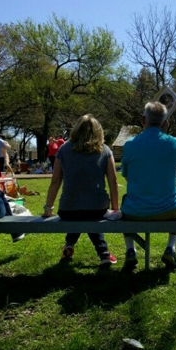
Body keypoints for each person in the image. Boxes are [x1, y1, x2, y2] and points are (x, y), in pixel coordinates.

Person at [42, 114, 119, 267]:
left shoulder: (64, 149)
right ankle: (103, 253)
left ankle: (69, 244)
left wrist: (48, 208)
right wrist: (115, 208)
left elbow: (55, 181)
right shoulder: (104, 150)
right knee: (89, 215)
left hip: (68, 208)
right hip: (98, 208)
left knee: (78, 213)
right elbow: (113, 181)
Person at [120, 101, 176, 270]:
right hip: (168, 211)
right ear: (165, 123)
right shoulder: (174, 143)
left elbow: (126, 177)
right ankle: (171, 248)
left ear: (143, 120)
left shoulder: (129, 145)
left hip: (135, 211)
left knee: (124, 205)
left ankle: (130, 251)